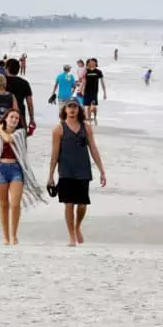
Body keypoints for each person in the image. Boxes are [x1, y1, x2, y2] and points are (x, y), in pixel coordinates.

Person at [47, 99, 107, 246]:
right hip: (66, 171)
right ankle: (71, 236)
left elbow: (93, 149)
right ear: (65, 110)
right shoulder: (58, 129)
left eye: (75, 107)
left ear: (79, 110)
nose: (72, 110)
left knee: (82, 205)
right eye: (70, 107)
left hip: (83, 170)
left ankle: (77, 226)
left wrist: (102, 171)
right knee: (68, 204)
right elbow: (54, 154)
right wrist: (50, 175)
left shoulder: (86, 128)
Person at [0, 108, 46, 245]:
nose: (14, 120)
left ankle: (14, 235)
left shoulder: (20, 133)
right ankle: (6, 237)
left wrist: (0, 129)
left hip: (16, 169)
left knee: (15, 204)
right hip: (0, 169)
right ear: (6, 119)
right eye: (11, 117)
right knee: (3, 205)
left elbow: (8, 139)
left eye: (16, 118)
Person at [4, 59, 35, 135]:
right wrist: (31, 119)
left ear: (7, 69)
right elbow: (29, 103)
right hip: (19, 117)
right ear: (18, 69)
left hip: (3, 116)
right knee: (19, 143)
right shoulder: (24, 83)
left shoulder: (1, 82)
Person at [82, 58, 106, 124]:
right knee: (88, 106)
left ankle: (95, 117)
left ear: (96, 63)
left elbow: (102, 82)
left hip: (94, 91)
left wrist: (104, 92)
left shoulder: (98, 72)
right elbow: (84, 81)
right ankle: (89, 120)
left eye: (93, 62)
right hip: (86, 91)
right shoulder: (86, 71)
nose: (91, 63)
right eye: (90, 62)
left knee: (94, 106)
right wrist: (82, 90)